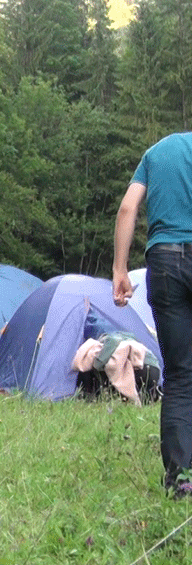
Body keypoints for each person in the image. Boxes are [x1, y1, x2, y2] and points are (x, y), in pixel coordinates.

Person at [112, 131, 192, 496]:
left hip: (164, 262)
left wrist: (119, 268)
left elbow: (128, 208)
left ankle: (180, 481)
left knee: (179, 376)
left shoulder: (156, 153)